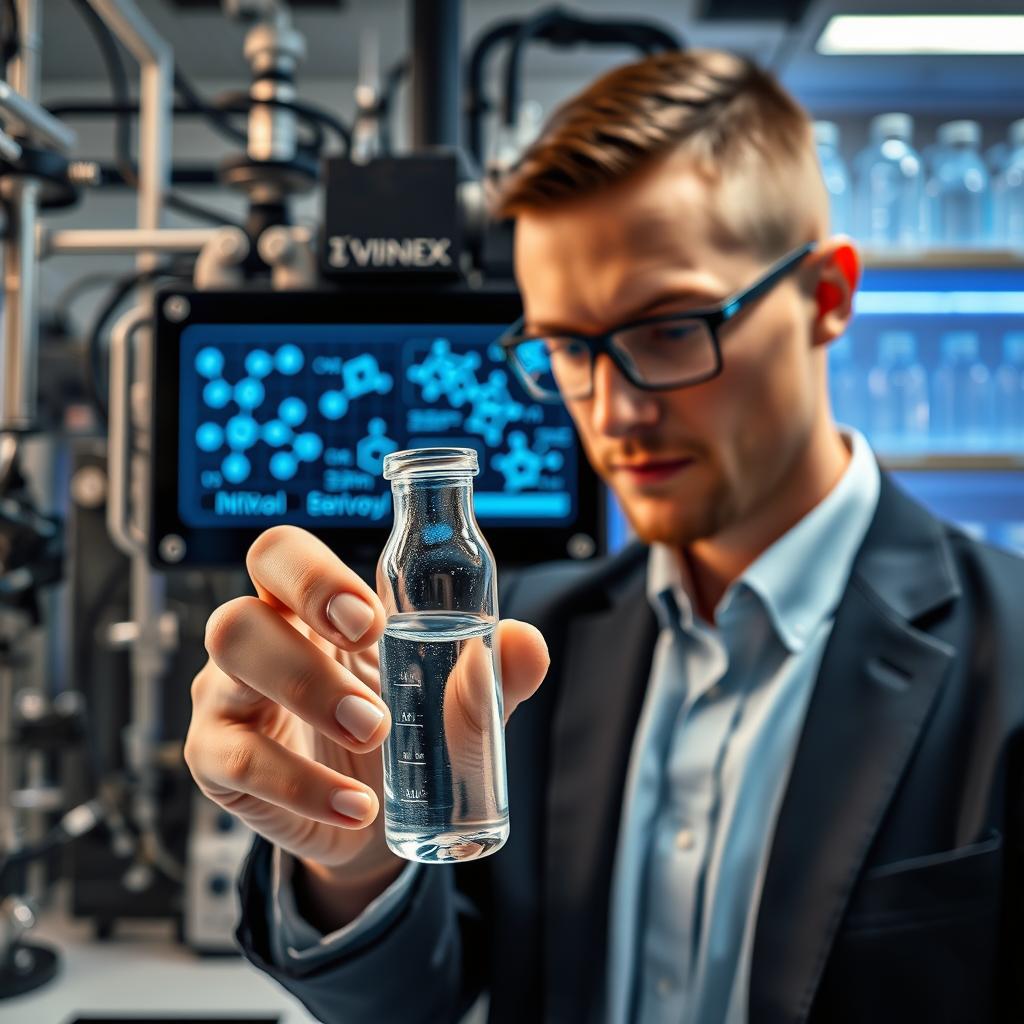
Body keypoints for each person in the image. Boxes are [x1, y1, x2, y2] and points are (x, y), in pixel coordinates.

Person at [184, 50, 1024, 1024]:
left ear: (826, 296)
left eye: (669, 327)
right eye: (566, 348)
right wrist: (355, 854)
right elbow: (408, 1001)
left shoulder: (1009, 660)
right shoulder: (528, 648)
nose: (612, 409)